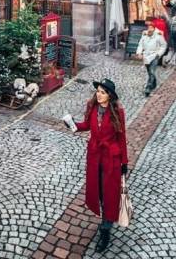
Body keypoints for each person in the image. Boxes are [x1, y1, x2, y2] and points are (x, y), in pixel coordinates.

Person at [71, 79, 128, 253]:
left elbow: (122, 137)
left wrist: (124, 162)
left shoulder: (118, 112)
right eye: (98, 91)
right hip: (95, 157)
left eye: (103, 92)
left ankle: (105, 231)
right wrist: (73, 125)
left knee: (110, 195)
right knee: (99, 193)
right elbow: (87, 125)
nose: (99, 94)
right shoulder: (92, 107)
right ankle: (104, 219)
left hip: (111, 158)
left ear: (110, 96)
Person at [136, 22, 167, 96]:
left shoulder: (158, 35)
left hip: (154, 56)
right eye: (148, 28)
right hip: (146, 56)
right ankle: (154, 82)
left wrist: (159, 54)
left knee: (152, 71)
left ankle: (148, 87)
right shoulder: (144, 35)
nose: (149, 29)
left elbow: (163, 45)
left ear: (154, 29)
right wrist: (139, 53)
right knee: (149, 72)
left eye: (151, 28)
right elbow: (140, 45)